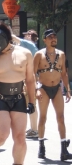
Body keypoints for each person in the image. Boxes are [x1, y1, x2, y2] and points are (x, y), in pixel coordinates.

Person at [0, 20, 35, 165]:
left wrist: (32, 101)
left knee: (20, 137)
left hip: (18, 97)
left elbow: (30, 80)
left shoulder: (25, 53)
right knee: (2, 135)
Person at [33, 29, 72, 161]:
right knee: (43, 118)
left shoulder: (61, 54)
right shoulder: (39, 55)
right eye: (50, 37)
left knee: (60, 117)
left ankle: (63, 150)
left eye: (54, 36)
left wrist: (67, 89)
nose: (53, 39)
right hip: (43, 88)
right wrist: (36, 89)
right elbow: (33, 74)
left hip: (56, 89)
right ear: (45, 40)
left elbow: (64, 73)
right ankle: (41, 146)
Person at [12, 29, 39, 138]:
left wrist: (7, 31)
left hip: (29, 79)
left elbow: (15, 38)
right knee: (30, 102)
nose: (24, 37)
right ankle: (33, 128)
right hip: (30, 78)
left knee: (31, 102)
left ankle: (34, 130)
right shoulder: (32, 47)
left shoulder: (29, 44)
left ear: (30, 36)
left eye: (26, 34)